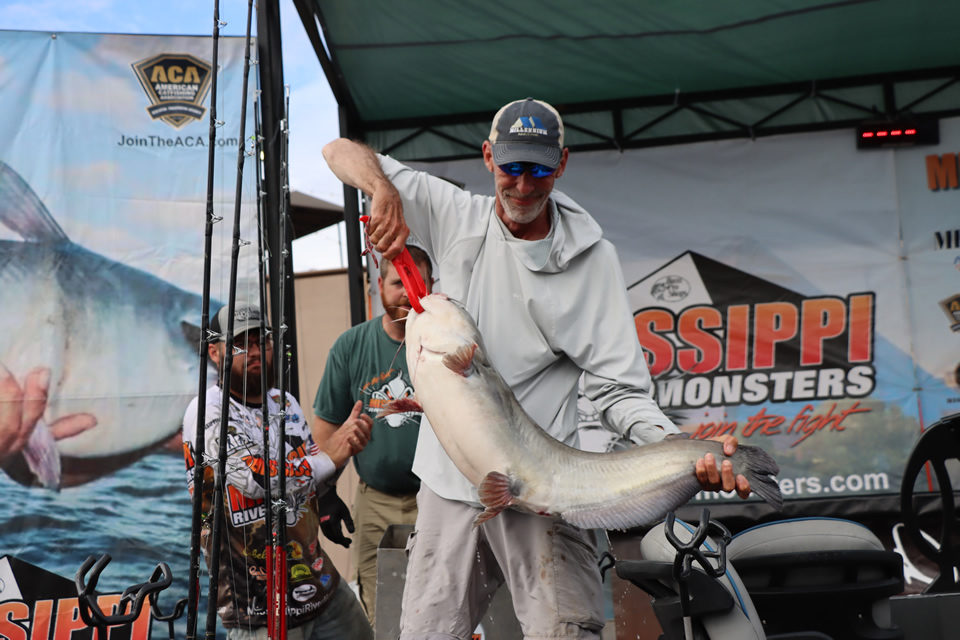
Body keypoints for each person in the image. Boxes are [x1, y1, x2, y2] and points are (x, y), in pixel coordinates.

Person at [322, 97, 751, 639]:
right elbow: (338, 150)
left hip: (545, 488)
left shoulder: (594, 261)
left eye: (540, 169)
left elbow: (620, 391)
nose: (524, 185)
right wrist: (382, 188)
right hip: (447, 488)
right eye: (512, 167)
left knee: (566, 632)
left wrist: (676, 451)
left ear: (563, 164)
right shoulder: (453, 213)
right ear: (488, 158)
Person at [181, 303, 374, 640]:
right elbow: (257, 480)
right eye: (242, 344)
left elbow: (308, 462)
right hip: (254, 604)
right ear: (215, 352)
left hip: (317, 583)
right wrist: (329, 456)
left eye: (262, 342)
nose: (255, 352)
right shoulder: (207, 412)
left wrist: (339, 462)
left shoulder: (284, 402)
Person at [311, 244, 433, 628]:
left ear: (431, 287)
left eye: (417, 283)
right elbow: (325, 431)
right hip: (375, 504)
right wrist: (326, 493)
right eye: (398, 283)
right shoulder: (351, 346)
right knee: (382, 614)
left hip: (440, 502)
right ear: (379, 285)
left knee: (440, 610)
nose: (406, 293)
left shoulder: (446, 342)